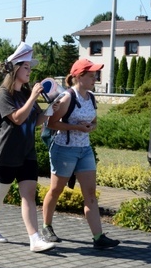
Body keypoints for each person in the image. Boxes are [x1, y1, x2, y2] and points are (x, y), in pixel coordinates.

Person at [0, 43, 55, 253]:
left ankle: (35, 239)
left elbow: (35, 120)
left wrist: (50, 110)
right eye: (26, 68)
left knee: (28, 194)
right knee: (0, 190)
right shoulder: (3, 94)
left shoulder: (25, 93)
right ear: (15, 69)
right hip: (6, 151)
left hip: (27, 151)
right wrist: (33, 98)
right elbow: (17, 118)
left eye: (30, 68)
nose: (30, 72)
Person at [41, 59, 120, 249]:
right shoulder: (67, 98)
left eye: (95, 75)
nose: (95, 78)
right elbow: (51, 123)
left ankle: (98, 237)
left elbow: (94, 122)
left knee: (90, 193)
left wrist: (90, 127)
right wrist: (76, 127)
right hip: (64, 149)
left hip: (85, 150)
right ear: (78, 76)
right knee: (56, 190)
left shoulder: (91, 97)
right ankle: (46, 226)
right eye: (91, 75)